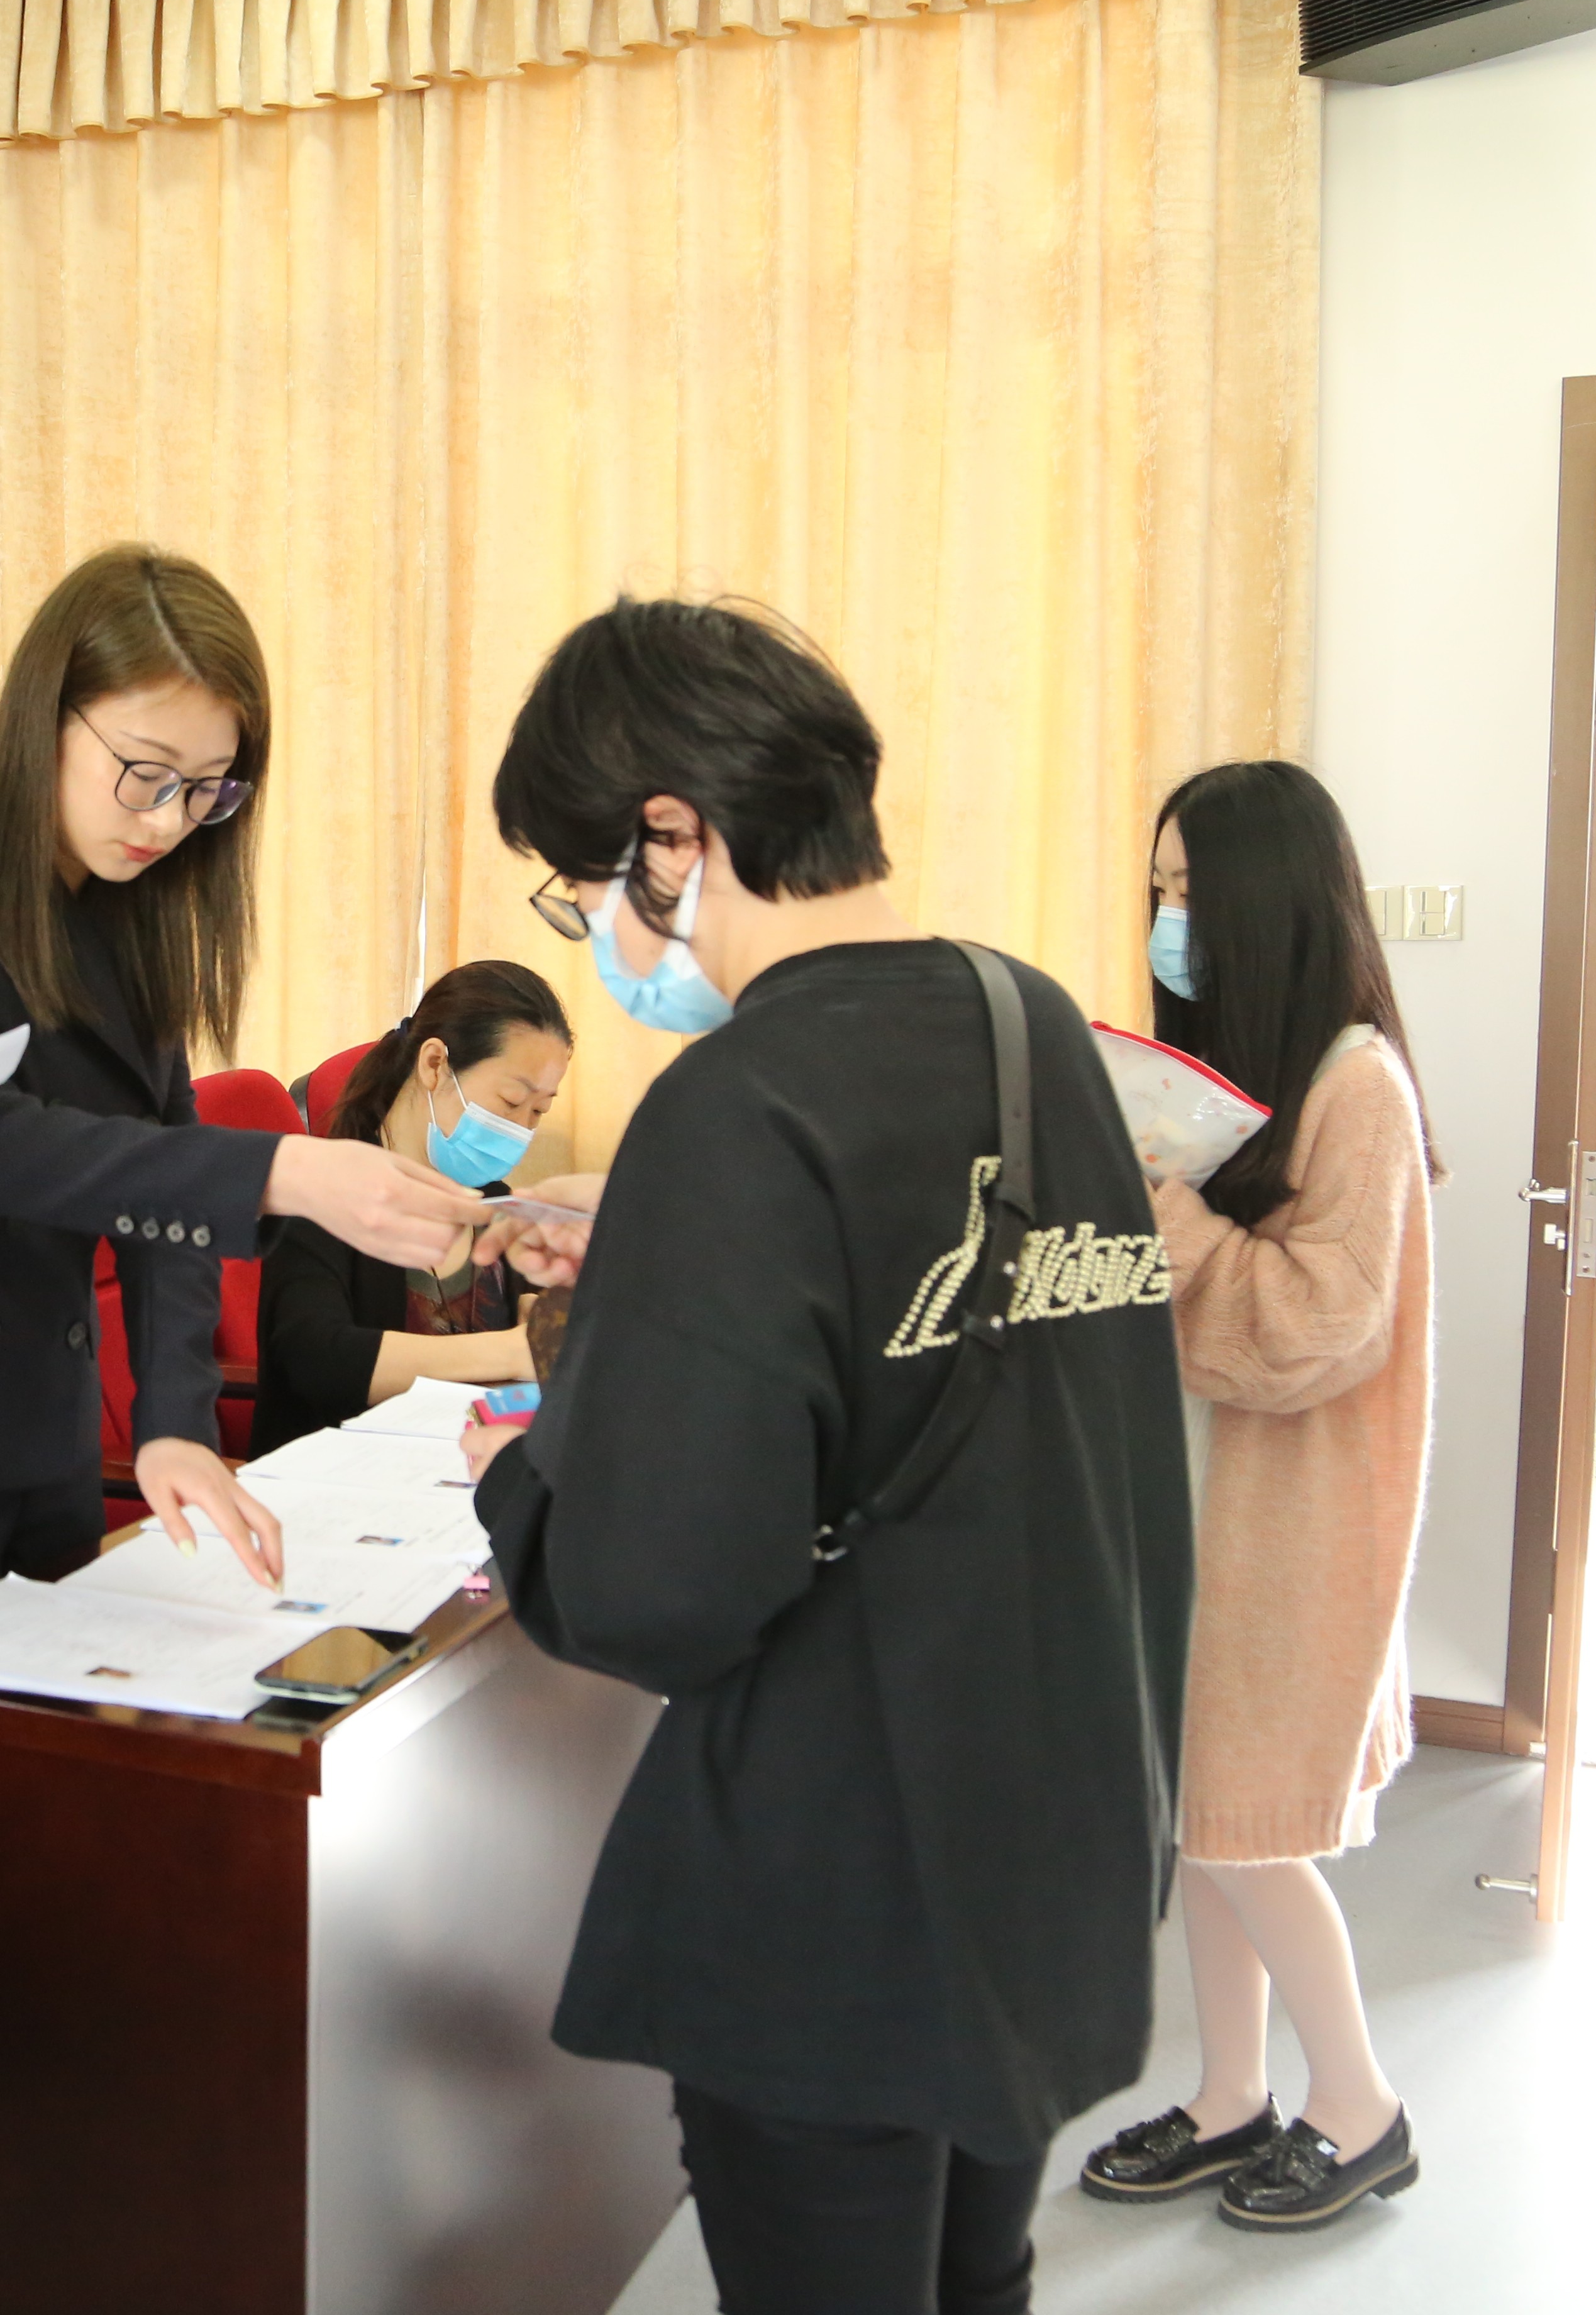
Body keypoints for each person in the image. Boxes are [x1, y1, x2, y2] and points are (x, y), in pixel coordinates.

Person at [458, 597, 1194, 2315]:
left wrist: (542, 1434)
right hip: (1050, 1829)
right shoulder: (1030, 1028)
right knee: (975, 2276)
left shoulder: (734, 1104)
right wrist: (658, 1274)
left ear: (672, 837)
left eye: (582, 889)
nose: (599, 936)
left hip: (844, 1880)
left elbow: (655, 1589)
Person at [0, 543, 492, 2310]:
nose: (168, 820)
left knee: (50, 1878)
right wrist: (284, 1172)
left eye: (208, 790)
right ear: (50, 712)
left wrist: (178, 1420)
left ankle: (38, 2228)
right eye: (144, 772)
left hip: (46, 1445)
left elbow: (160, 1199)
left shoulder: (130, 922)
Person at [1078, 758, 1435, 2231]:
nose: (1169, 918)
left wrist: (1171, 1222)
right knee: (1203, 1820)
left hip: (1288, 1517)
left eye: (1190, 888)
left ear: (1267, 895)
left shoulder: (1356, 1084)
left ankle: (1359, 2105)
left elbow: (1322, 1326)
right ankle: (1231, 2095)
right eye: (1157, 888)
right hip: (1197, 1501)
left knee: (1247, 1830)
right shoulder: (1251, 1075)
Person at [250, 960, 572, 1452]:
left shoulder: (491, 1201)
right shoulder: (321, 1195)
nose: (521, 1130)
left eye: (539, 1111)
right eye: (512, 1102)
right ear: (435, 1065)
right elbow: (318, 1359)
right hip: (342, 1472)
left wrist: (540, 1312)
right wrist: (509, 1351)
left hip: (462, 1467)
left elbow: (528, 1333)